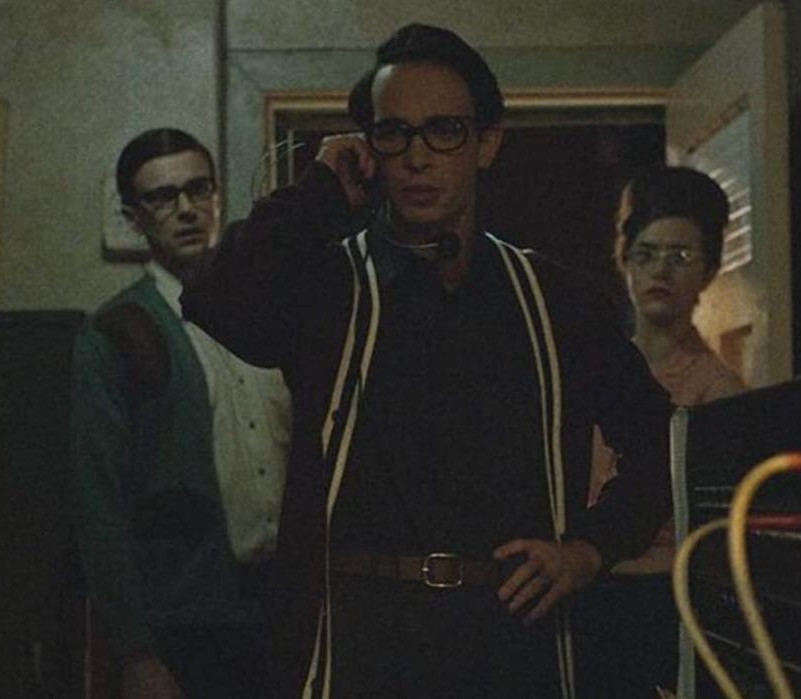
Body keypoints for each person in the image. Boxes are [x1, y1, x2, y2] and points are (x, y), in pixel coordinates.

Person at [182, 24, 674, 699]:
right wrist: (320, 191)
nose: (418, 157)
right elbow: (210, 298)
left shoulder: (554, 300)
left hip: (511, 644)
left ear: (486, 143)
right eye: (394, 133)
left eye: (444, 131)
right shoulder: (332, 288)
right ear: (369, 147)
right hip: (360, 648)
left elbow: (661, 438)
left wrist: (590, 550)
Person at [71, 128, 293, 699]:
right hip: (187, 622)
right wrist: (135, 651)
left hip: (287, 607)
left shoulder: (269, 311)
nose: (187, 209)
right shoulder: (119, 332)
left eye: (199, 189)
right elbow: (98, 502)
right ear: (133, 217)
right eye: (163, 197)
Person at [584, 165, 747, 697]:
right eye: (646, 253)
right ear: (623, 259)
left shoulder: (718, 390)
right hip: (579, 586)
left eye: (681, 256)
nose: (660, 271)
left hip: (663, 600)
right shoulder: (590, 369)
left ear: (709, 271)